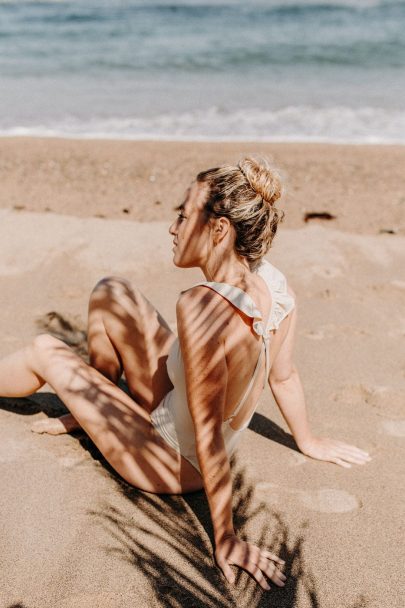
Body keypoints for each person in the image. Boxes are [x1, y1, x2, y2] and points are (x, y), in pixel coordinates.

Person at [0, 157, 370, 591]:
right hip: (175, 415)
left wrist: (227, 537)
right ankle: (89, 411)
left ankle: (86, 404)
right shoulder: (275, 285)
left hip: (169, 460)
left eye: (183, 215)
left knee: (46, 350)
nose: (173, 228)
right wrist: (307, 440)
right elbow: (283, 377)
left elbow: (209, 432)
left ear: (218, 230)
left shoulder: (201, 308)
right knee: (111, 291)